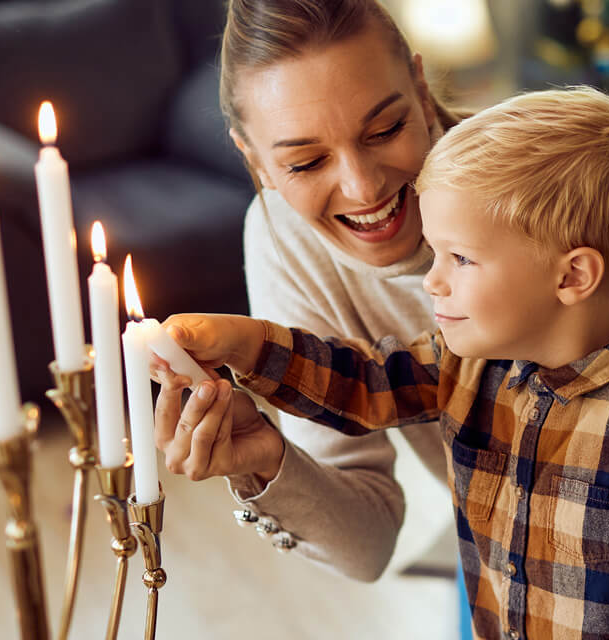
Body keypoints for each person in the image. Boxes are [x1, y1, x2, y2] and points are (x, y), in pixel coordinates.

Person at [154, 87, 609, 639]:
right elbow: (360, 381)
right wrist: (244, 344)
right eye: (436, 253)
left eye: (460, 258)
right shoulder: (466, 365)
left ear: (572, 276)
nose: (432, 280)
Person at [153, 0, 465, 584]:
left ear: (421, 92)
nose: (362, 186)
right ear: (254, 159)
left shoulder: (544, 192)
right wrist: (270, 465)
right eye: (305, 161)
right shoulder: (285, 241)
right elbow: (366, 549)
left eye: (386, 129)